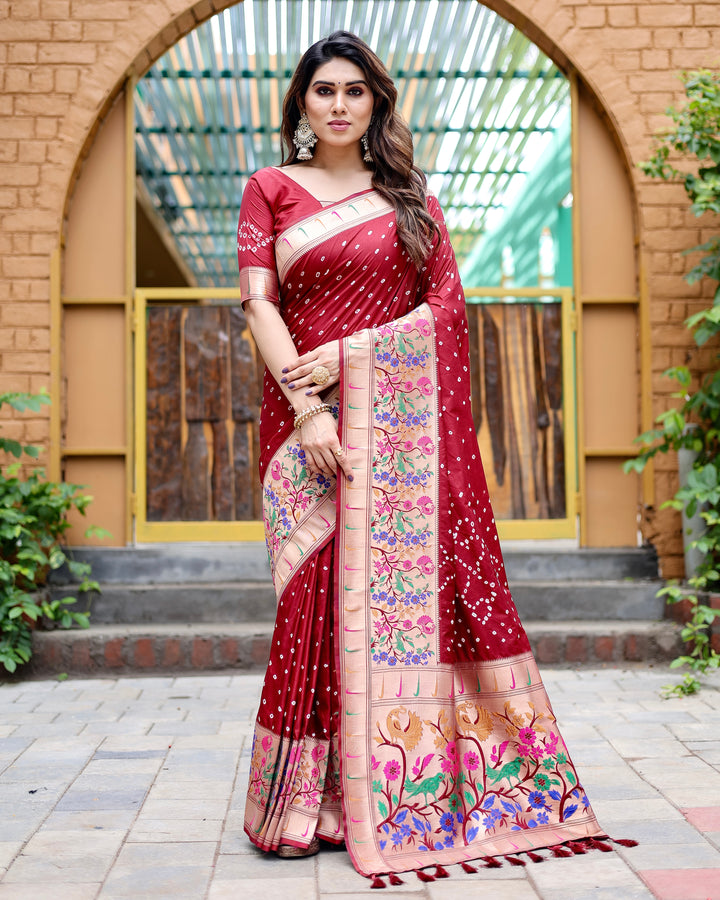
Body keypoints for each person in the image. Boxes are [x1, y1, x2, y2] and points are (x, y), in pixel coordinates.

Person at [238, 30, 626, 884]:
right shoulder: (270, 189)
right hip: (306, 427)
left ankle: (380, 792)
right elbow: (259, 306)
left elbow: (446, 314)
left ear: (376, 102)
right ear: (301, 102)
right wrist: (309, 409)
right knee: (312, 607)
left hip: (400, 441)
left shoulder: (408, 197)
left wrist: (350, 356)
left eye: (355, 91)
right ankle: (306, 801)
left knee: (385, 605)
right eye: (322, 90)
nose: (338, 105)